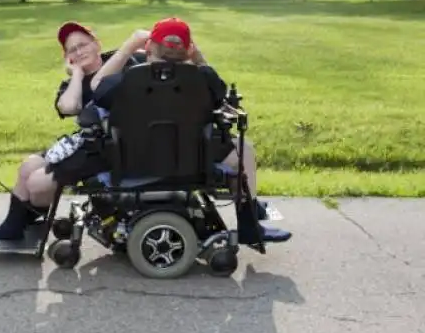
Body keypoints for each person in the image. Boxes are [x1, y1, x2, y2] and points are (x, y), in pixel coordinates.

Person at [24, 17, 291, 244]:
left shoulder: (124, 81)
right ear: (189, 50)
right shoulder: (203, 81)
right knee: (244, 150)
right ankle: (249, 223)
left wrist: (128, 48)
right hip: (190, 162)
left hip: (129, 164)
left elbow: (98, 90)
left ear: (148, 46)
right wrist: (199, 59)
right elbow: (220, 94)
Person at [0, 21, 207, 243]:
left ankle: (27, 219)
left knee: (35, 184)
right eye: (72, 50)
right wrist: (78, 76)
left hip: (118, 147)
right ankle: (20, 223)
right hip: (91, 143)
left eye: (83, 44)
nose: (79, 52)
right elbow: (69, 107)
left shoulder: (126, 60)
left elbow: (166, 59)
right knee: (27, 167)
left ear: (96, 44)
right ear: (67, 57)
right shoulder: (72, 84)